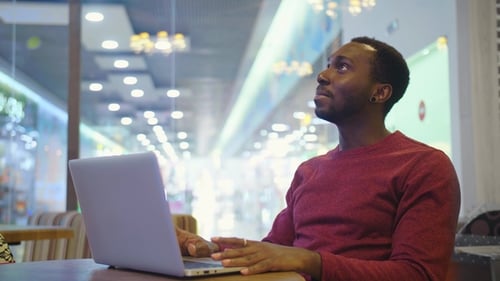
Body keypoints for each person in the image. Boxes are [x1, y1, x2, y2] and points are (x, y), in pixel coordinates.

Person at [176, 36, 461, 281]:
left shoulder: (423, 166)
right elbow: (274, 248)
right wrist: (205, 248)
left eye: (342, 67)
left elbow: (417, 274)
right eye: (327, 66)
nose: (323, 76)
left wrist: (310, 261)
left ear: (380, 92)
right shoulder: (310, 171)